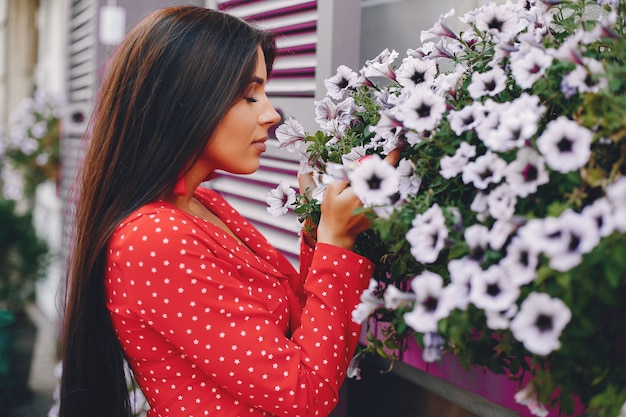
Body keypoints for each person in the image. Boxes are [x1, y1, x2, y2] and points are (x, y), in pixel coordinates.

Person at [59, 6, 378, 417]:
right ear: (185, 101)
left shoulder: (205, 207)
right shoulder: (154, 239)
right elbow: (304, 395)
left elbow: (298, 326)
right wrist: (337, 242)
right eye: (249, 95)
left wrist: (321, 228)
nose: (271, 114)